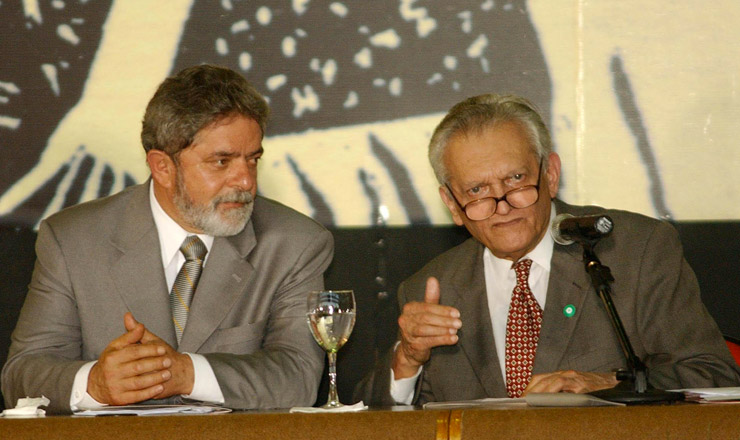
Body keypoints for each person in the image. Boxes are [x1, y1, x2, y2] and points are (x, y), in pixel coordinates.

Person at [354, 94, 740, 405]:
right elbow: (369, 416)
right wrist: (407, 360)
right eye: (477, 191)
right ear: (452, 204)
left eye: (516, 179)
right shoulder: (430, 288)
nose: (502, 204)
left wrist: (608, 385)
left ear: (550, 174)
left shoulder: (635, 250)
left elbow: (713, 373)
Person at [1, 64, 333, 414]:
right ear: (162, 167)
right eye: (222, 161)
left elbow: (299, 377)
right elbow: (22, 376)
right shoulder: (74, 240)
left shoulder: (295, 244)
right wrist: (95, 383)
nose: (246, 181)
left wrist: (187, 373)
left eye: (252, 160)